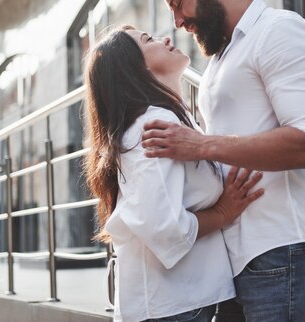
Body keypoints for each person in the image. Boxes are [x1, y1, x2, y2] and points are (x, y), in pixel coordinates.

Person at [141, 0, 305, 322]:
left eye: (177, 3)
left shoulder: (279, 31)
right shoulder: (222, 58)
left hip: (286, 251)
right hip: (239, 260)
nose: (177, 21)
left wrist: (201, 146)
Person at [82, 25, 264, 322]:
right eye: (148, 40)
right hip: (169, 307)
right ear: (135, 68)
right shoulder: (154, 124)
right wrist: (222, 213)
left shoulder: (168, 119)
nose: (165, 38)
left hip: (177, 302)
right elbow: (161, 225)